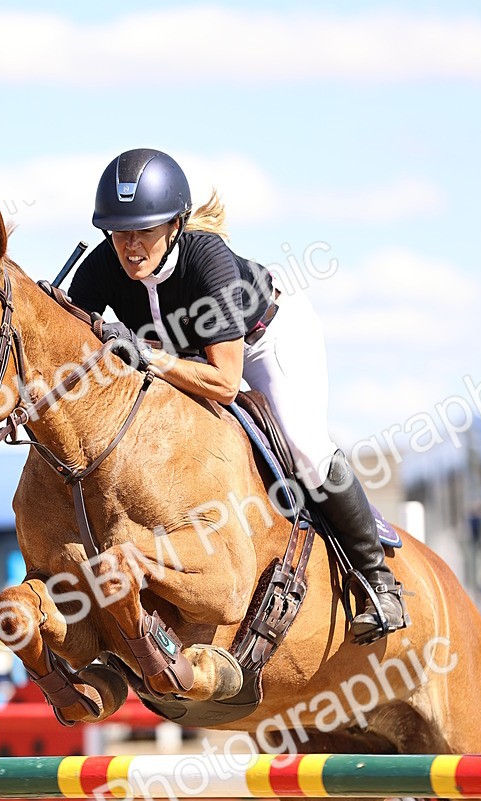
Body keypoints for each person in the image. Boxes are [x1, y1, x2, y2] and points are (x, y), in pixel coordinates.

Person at [69, 148, 407, 643]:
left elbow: (226, 383)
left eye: (144, 229)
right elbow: (68, 339)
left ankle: (379, 582)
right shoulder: (103, 266)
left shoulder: (209, 260)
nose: (130, 244)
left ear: (175, 225)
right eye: (119, 231)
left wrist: (147, 356)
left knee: (305, 446)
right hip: (187, 353)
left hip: (265, 340)